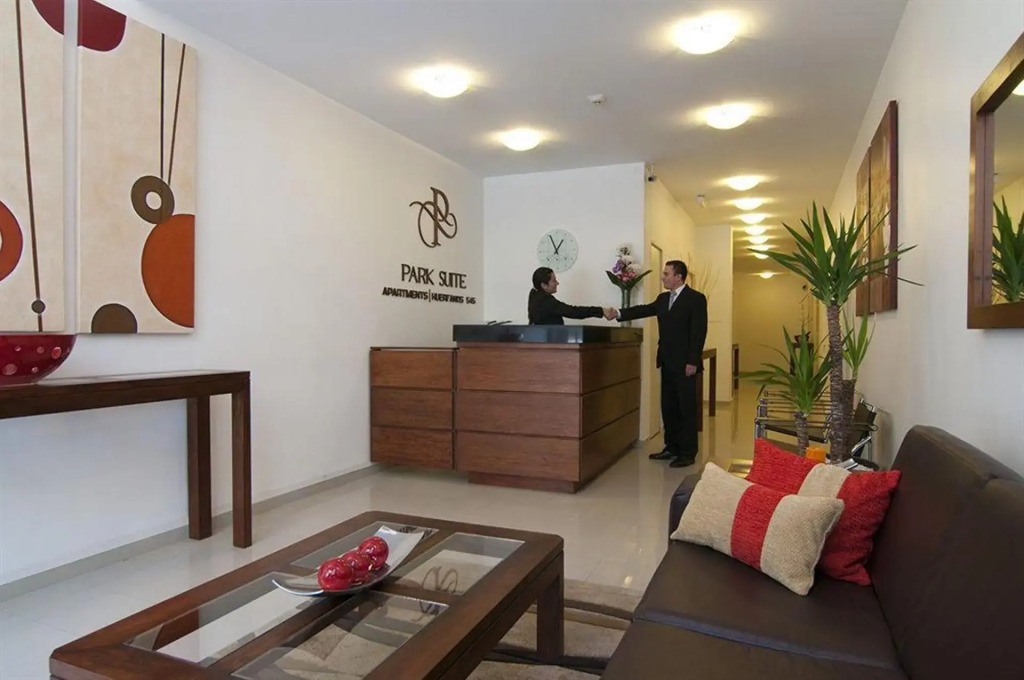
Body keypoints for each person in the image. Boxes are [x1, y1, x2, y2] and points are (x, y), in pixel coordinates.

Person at [614, 260, 708, 468]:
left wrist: (693, 361)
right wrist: (618, 313)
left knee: (686, 409)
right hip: (667, 361)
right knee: (669, 406)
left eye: (666, 274)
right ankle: (671, 447)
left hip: (686, 365)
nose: (662, 277)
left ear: (679, 277)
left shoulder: (696, 299)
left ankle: (687, 452)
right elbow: (644, 310)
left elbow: (699, 331)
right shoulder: (663, 298)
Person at [528, 267, 613, 325]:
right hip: (549, 344)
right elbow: (572, 312)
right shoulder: (544, 299)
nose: (557, 283)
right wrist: (601, 311)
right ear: (544, 285)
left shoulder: (534, 294)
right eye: (554, 281)